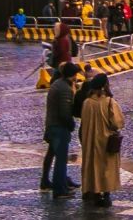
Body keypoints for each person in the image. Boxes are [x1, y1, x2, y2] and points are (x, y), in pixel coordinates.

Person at [77, 74, 124, 207]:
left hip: (91, 140)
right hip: (106, 140)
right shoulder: (109, 102)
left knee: (93, 166)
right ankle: (107, 195)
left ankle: (96, 194)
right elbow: (117, 122)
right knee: (107, 167)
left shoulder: (87, 102)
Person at [41, 62, 80, 198]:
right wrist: (71, 125)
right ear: (71, 75)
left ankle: (56, 184)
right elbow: (65, 113)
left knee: (53, 155)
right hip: (59, 127)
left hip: (52, 125)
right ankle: (59, 190)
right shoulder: (65, 89)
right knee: (61, 160)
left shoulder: (57, 84)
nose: (76, 77)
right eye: (75, 74)